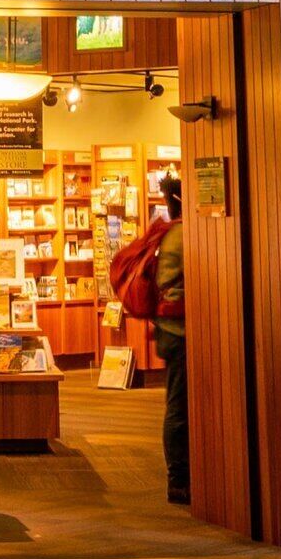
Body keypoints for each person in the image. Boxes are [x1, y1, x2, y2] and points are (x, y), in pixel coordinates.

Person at [113, 177, 189, 505]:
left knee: (179, 403)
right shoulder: (185, 236)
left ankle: (182, 476)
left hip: (170, 330)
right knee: (180, 405)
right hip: (181, 332)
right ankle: (180, 478)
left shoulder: (171, 233)